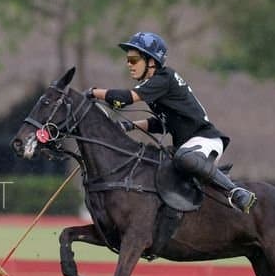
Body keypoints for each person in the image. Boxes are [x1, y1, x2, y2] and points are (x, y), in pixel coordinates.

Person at [85, 31, 257, 213]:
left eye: (133, 60)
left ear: (151, 61)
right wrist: (129, 126)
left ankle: (236, 192)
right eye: (128, 60)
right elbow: (160, 123)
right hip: (187, 145)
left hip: (206, 139)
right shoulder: (155, 85)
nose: (129, 64)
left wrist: (92, 92)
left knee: (183, 157)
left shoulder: (163, 78)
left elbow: (125, 98)